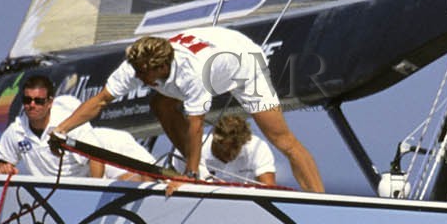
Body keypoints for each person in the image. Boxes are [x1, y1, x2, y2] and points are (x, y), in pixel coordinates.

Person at [51, 27, 325, 192]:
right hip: (215, 43)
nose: (138, 78)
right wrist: (61, 128)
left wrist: (189, 177)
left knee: (282, 139)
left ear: (161, 67)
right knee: (160, 102)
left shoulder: (192, 73)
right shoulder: (137, 67)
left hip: (243, 62)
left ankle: (321, 198)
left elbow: (195, 125)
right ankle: (201, 172)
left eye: (144, 73)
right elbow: (99, 101)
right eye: (137, 71)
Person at [0, 75, 103, 179]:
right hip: (44, 192)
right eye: (27, 100)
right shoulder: (16, 130)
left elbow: (96, 157)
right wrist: (3, 169)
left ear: (50, 102)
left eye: (39, 101)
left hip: (79, 188)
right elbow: (0, 163)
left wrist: (95, 192)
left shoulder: (69, 123)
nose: (32, 105)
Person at [190, 113, 276, 185]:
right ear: (215, 140)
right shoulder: (193, 148)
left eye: (236, 147)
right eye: (227, 149)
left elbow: (269, 188)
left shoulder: (257, 148)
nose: (231, 154)